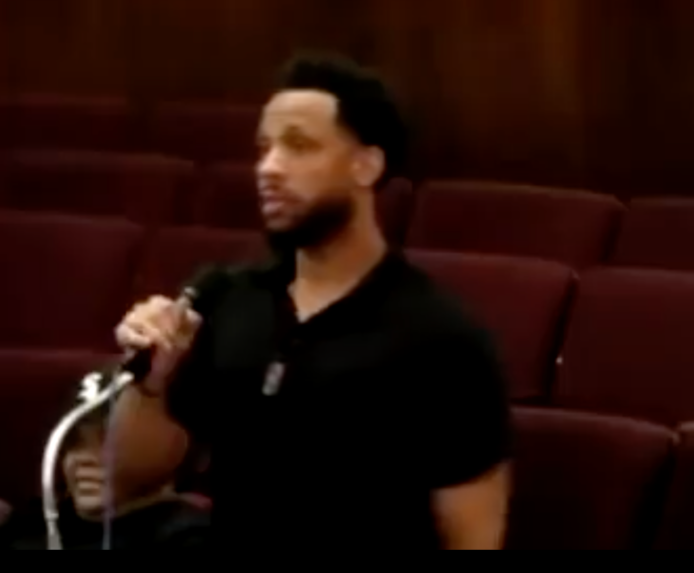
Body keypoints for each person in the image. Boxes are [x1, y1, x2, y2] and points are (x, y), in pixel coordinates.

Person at [107, 54, 513, 550]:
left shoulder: (441, 338)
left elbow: (474, 537)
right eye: (264, 149)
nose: (269, 168)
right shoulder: (231, 300)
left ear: (367, 165)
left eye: (298, 146)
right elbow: (128, 480)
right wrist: (152, 381)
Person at [0, 371, 210, 550]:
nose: (84, 458)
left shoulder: (185, 534)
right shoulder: (31, 524)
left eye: (108, 441)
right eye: (73, 442)